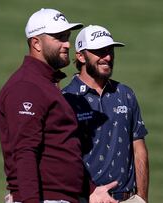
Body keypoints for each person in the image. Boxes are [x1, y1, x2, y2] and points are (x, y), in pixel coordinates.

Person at [0, 9, 117, 203]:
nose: (67, 44)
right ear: (36, 43)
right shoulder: (27, 86)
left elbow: (61, 148)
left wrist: (91, 190)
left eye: (67, 36)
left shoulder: (45, 85)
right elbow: (25, 152)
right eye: (59, 38)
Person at [62, 25, 149, 203]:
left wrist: (141, 197)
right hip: (86, 198)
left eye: (110, 51)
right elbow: (63, 156)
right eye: (99, 52)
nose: (108, 57)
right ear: (80, 56)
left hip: (127, 198)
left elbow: (138, 147)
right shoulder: (66, 99)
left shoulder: (125, 94)